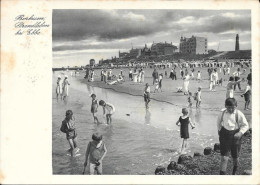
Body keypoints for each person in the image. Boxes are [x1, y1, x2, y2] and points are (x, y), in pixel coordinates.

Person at [217, 98, 249, 175]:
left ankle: (234, 172)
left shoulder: (239, 114)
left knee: (235, 157)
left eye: (233, 107)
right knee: (224, 158)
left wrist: (240, 133)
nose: (231, 109)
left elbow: (246, 125)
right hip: (225, 136)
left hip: (235, 136)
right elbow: (218, 123)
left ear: (236, 106)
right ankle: (222, 176)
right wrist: (220, 131)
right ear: (225, 106)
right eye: (228, 107)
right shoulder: (222, 113)